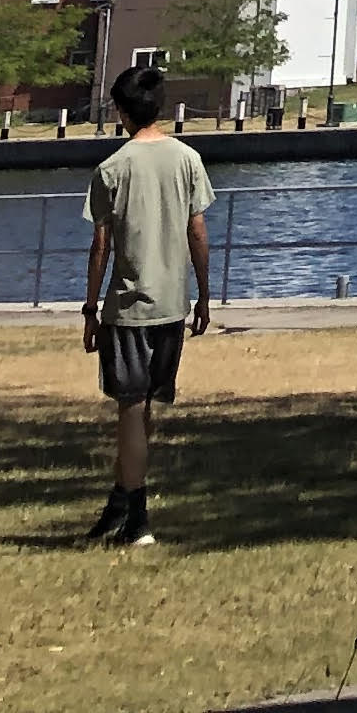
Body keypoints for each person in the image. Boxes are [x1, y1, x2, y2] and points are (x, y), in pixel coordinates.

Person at [81, 64, 212, 548]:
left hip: (129, 309)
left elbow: (101, 246)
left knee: (130, 409)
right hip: (173, 306)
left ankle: (138, 519)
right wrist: (203, 293)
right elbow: (197, 231)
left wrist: (91, 308)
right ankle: (120, 501)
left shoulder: (112, 169)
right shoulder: (188, 159)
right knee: (141, 411)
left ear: (120, 111)